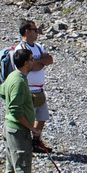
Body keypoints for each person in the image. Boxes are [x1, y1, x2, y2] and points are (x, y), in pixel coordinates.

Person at [0, 47, 44, 173]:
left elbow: (2, 92)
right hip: (18, 131)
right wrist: (32, 128)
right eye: (32, 59)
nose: (33, 62)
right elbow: (15, 110)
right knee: (23, 170)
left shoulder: (12, 77)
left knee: (11, 170)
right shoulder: (18, 81)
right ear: (26, 63)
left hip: (9, 129)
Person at [18, 20, 54, 153]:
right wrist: (40, 62)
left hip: (39, 89)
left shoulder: (38, 47)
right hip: (28, 89)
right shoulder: (21, 49)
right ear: (27, 31)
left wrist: (38, 62)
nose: (37, 32)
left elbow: (49, 60)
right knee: (28, 119)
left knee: (42, 117)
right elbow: (31, 66)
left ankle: (36, 142)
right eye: (35, 30)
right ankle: (25, 144)